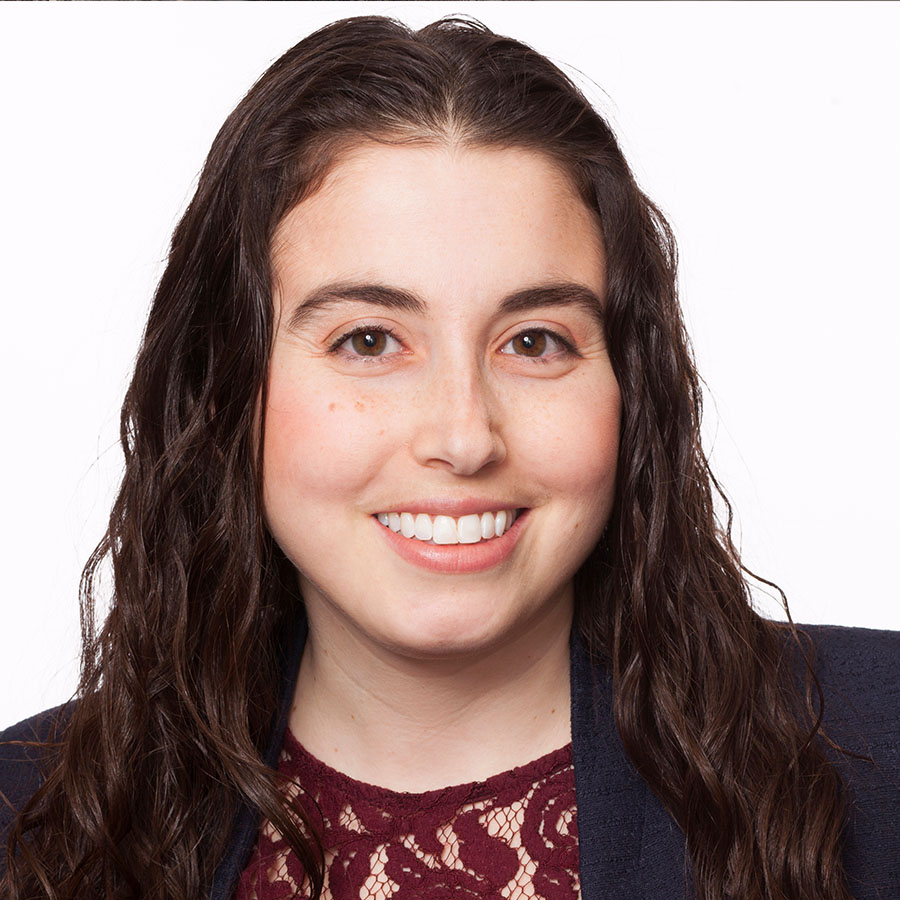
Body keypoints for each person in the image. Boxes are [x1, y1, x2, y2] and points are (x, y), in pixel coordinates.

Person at [1, 14, 898, 900]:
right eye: (367, 341)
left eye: (536, 341)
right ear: (225, 384)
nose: (465, 438)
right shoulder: (25, 822)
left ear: (634, 385)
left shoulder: (879, 745)